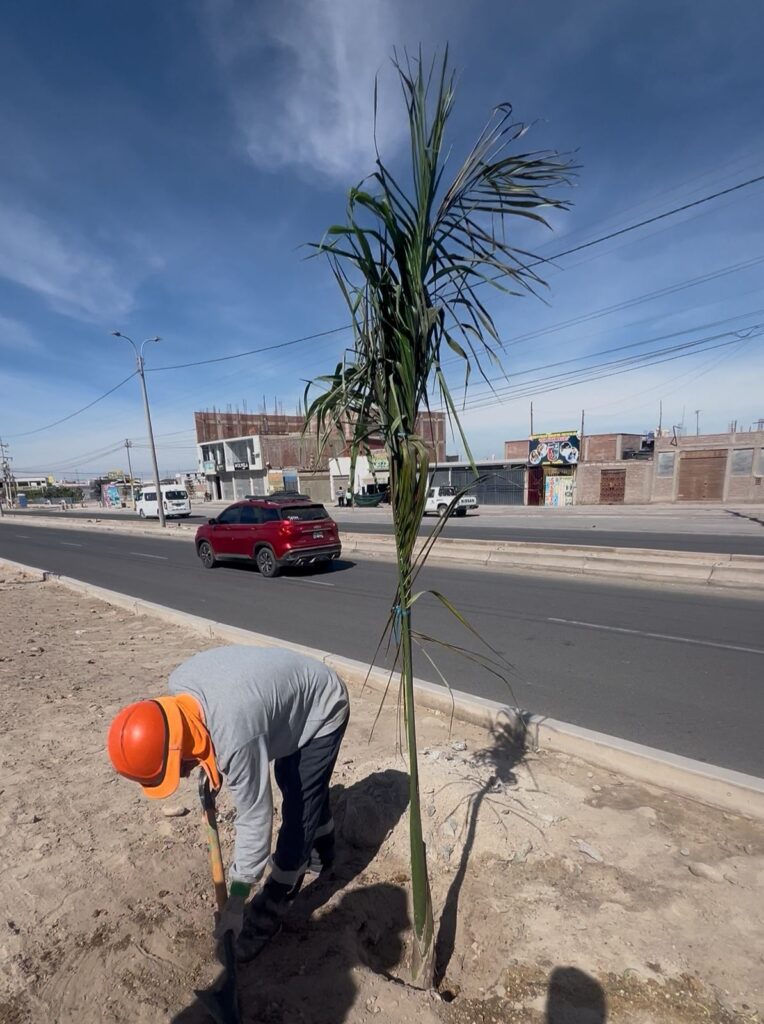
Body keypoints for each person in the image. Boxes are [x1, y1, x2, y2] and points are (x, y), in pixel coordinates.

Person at [106, 646, 349, 960]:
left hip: (323, 706)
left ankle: (278, 896)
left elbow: (255, 817)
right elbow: (206, 735)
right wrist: (208, 765)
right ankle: (324, 844)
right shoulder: (182, 685)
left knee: (300, 803)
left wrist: (237, 898)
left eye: (179, 768)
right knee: (296, 781)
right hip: (286, 701)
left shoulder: (237, 735)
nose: (181, 775)